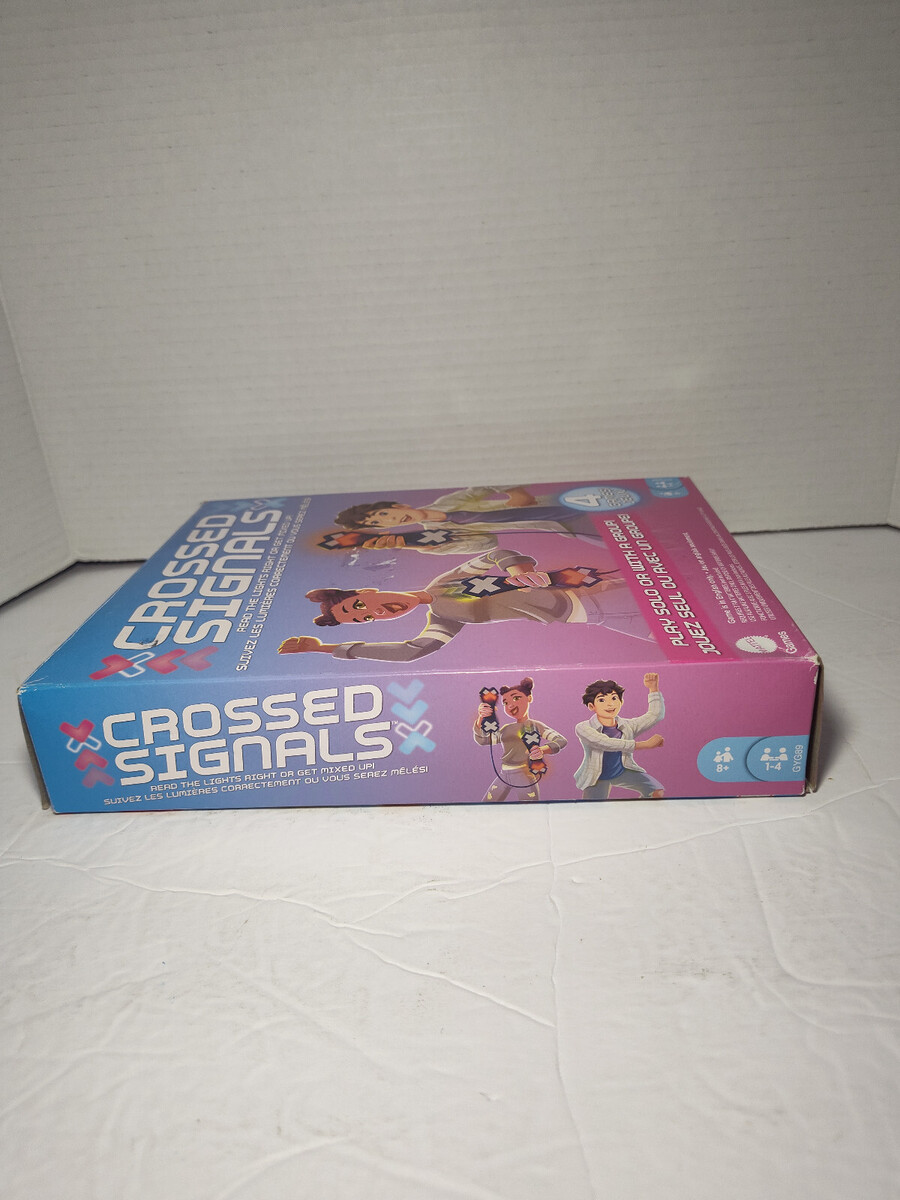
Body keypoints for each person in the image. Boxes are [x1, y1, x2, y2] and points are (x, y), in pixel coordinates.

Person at [278, 549, 651, 662]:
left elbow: (498, 554)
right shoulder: (443, 617)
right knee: (665, 635)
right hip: (594, 618)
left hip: (596, 592)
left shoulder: (447, 583)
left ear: (366, 589)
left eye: (360, 605)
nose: (375, 613)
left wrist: (523, 574)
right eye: (364, 619)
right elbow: (410, 652)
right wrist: (326, 648)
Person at [473, 677, 567, 802]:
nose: (510, 705)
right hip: (503, 775)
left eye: (516, 698)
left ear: (529, 698)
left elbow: (561, 740)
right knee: (487, 805)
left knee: (530, 808)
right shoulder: (506, 729)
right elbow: (483, 740)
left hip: (524, 774)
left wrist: (542, 750)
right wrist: (481, 718)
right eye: (505, 703)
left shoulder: (536, 725)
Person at [574, 674, 666, 800]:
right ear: (591, 706)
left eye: (614, 698)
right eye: (602, 700)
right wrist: (644, 744)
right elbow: (605, 743)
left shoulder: (627, 726)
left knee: (656, 792)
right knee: (592, 808)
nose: (610, 704)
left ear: (621, 702)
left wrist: (653, 689)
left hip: (622, 771)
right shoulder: (583, 727)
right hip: (597, 777)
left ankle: (635, 811)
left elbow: (655, 715)